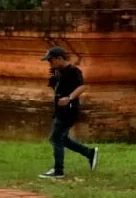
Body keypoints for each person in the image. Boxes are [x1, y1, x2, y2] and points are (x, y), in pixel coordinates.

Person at [41, 47, 98, 179]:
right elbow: (54, 87)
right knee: (62, 138)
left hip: (69, 109)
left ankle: (58, 170)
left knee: (56, 138)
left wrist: (69, 98)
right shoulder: (56, 71)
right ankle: (89, 153)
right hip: (59, 109)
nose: (49, 63)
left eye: (51, 60)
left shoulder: (73, 71)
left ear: (60, 58)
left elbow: (82, 86)